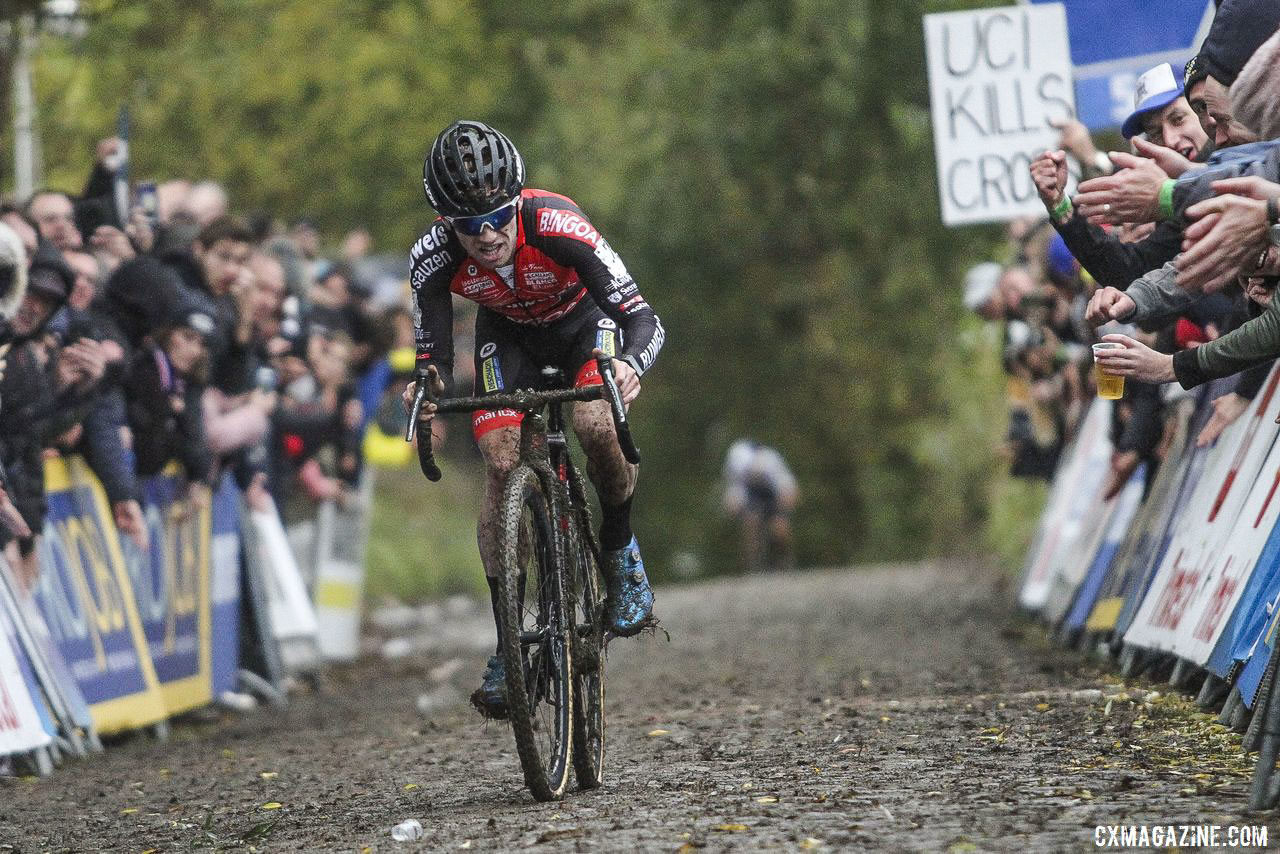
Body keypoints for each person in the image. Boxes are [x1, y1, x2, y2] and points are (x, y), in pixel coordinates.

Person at [403, 120, 665, 717]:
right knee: (499, 463)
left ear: (518, 201)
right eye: (470, 226)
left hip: (583, 324)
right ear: (447, 223)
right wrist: (423, 389)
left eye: (500, 216)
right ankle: (507, 641)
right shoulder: (432, 259)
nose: (489, 234)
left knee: (597, 426)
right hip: (508, 339)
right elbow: (433, 357)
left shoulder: (558, 225)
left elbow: (644, 318)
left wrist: (628, 365)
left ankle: (620, 547)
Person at [721, 440, 798, 572]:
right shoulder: (738, 461)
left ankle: (783, 561)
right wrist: (733, 501)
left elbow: (788, 489)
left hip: (772, 492)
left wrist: (784, 507)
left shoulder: (772, 461)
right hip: (750, 494)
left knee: (780, 527)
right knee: (751, 523)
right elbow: (734, 486)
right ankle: (754, 566)